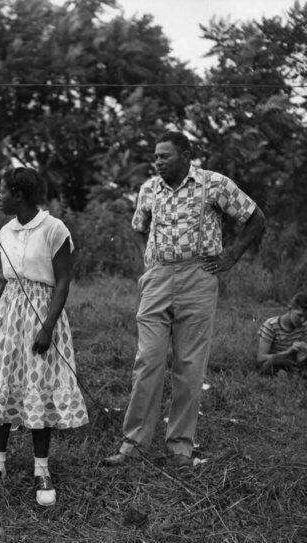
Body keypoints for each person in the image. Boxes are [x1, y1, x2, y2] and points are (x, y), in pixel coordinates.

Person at [103, 131, 266, 469]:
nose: (158, 161)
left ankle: (179, 447)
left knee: (189, 366)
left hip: (198, 276)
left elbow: (255, 217)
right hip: (158, 277)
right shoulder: (149, 189)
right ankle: (133, 443)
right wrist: (148, 262)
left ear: (187, 155)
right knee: (148, 360)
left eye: (165, 155)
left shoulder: (214, 184)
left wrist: (231, 256)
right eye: (156, 156)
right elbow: (138, 226)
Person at [0, 167, 88, 507]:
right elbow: (4, 279)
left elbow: (62, 282)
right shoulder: (3, 231)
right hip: (9, 313)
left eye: (2, 191)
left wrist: (47, 326)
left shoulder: (53, 228)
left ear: (19, 194)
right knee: (1, 384)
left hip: (43, 312)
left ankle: (41, 470)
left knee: (37, 386)